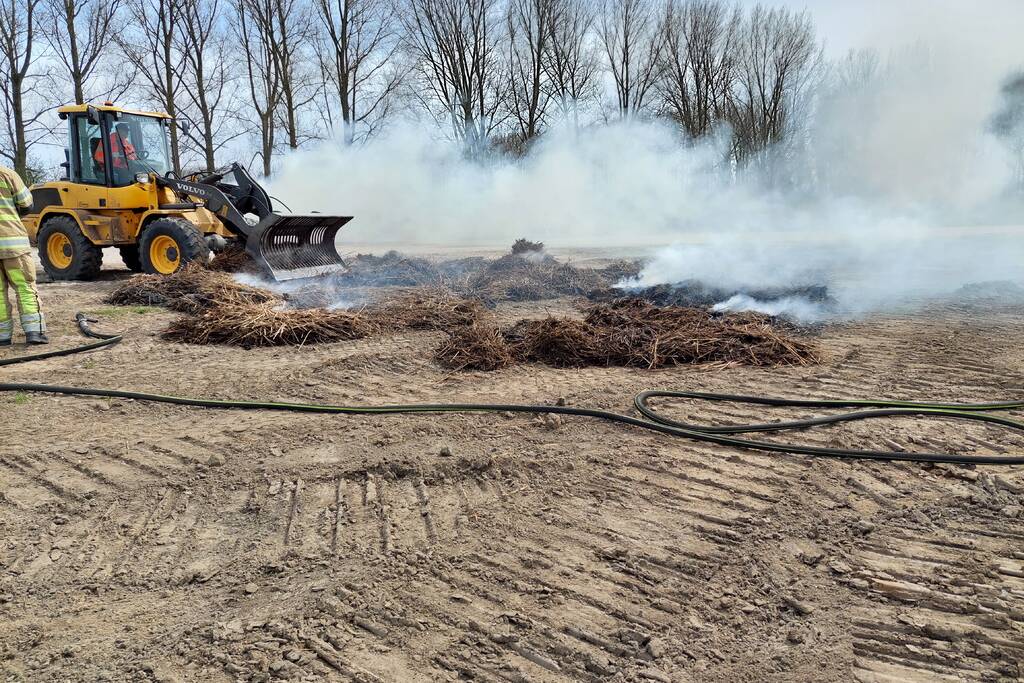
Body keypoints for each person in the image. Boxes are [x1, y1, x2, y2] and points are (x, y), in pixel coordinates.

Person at [0, 166, 47, 345]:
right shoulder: (6, 173)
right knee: (25, 287)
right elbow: (27, 203)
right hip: (13, 244)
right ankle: (34, 332)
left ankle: (2, 336)